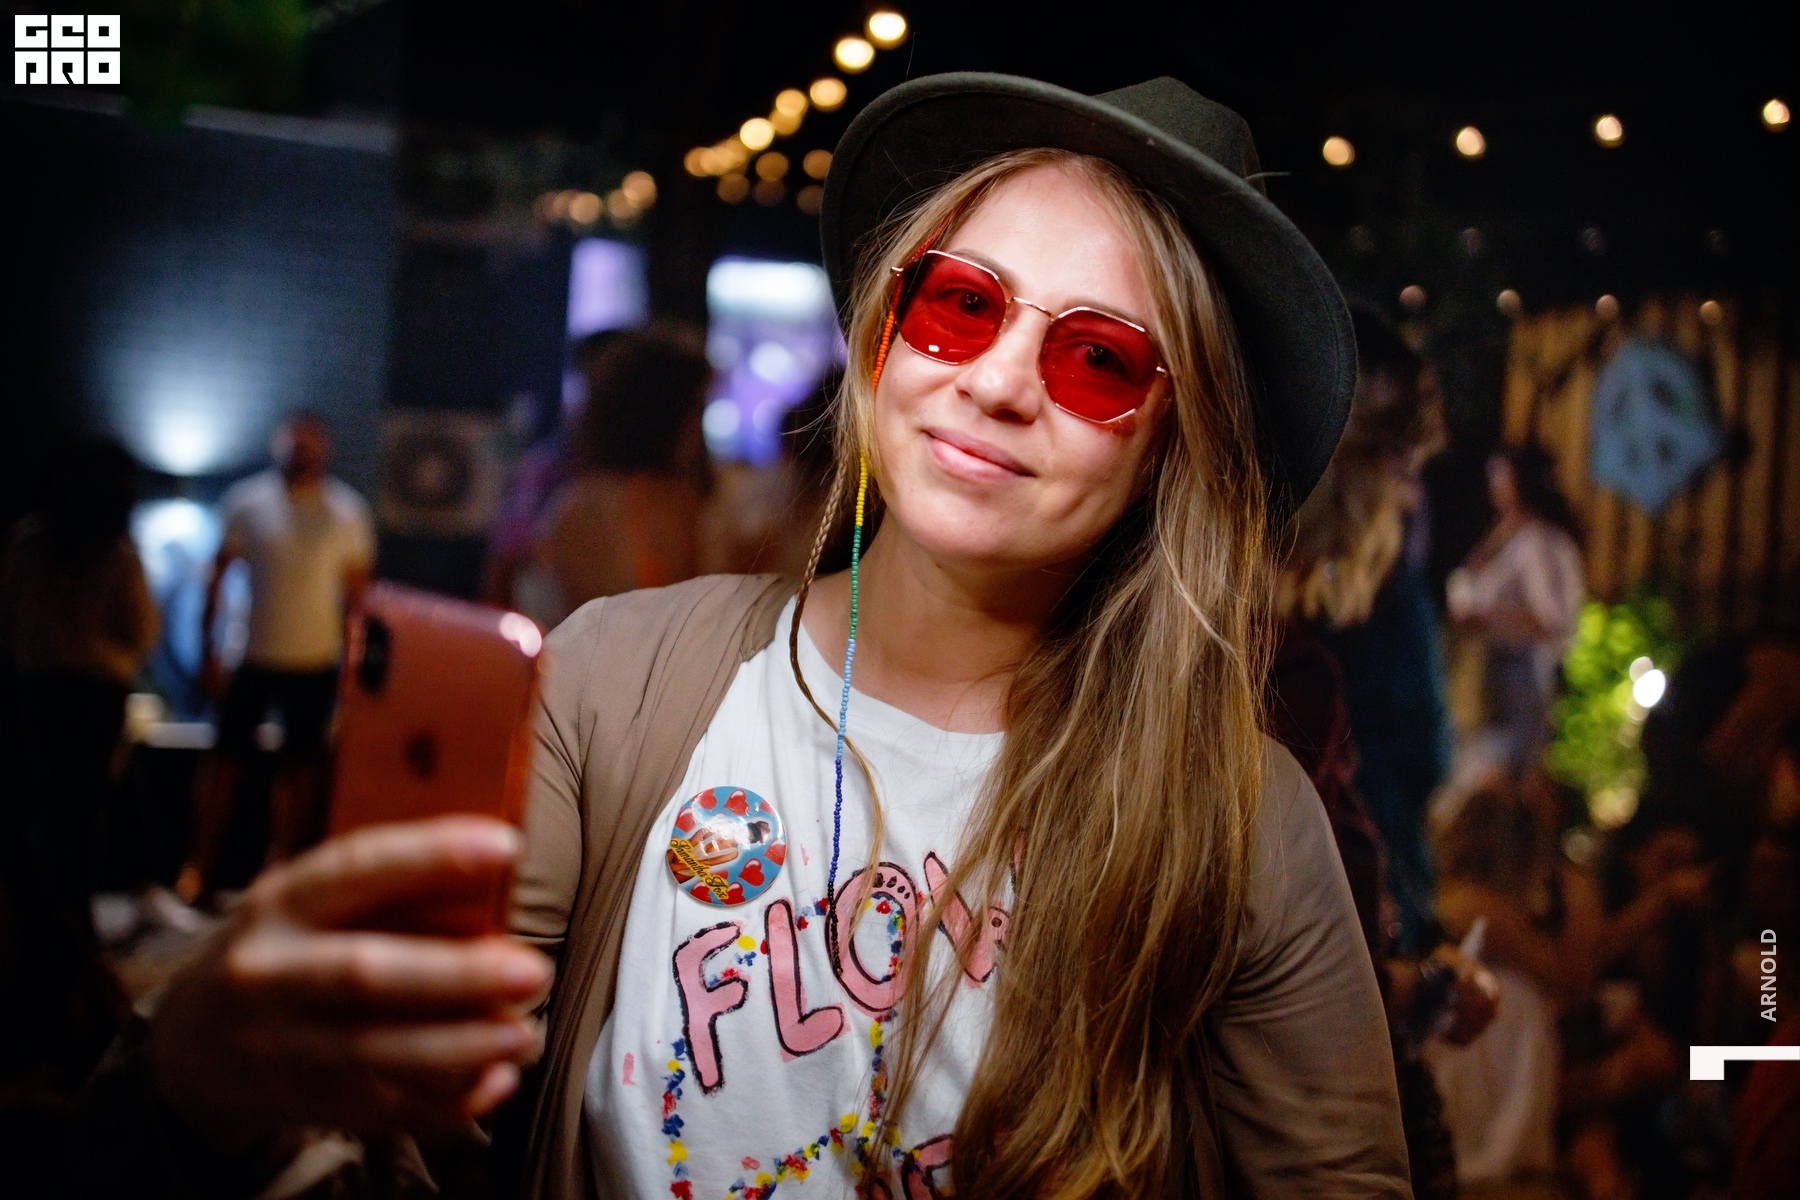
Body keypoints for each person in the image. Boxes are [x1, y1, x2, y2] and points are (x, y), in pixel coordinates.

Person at [108, 76, 1409, 1198]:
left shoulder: (1240, 823)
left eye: (1099, 361)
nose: (999, 381)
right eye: (961, 304)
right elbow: (409, 1137)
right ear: (882, 334)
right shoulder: (617, 686)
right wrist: (211, 1074)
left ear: (1171, 447)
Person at [173, 412, 374, 905]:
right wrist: (207, 650)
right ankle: (200, 864)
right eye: (294, 444)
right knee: (225, 764)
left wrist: (353, 668)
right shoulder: (247, 502)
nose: (301, 453)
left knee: (301, 769)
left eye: (310, 445)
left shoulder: (347, 512)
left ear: (325, 449)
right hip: (252, 655)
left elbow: (357, 601)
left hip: (314, 659)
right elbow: (216, 579)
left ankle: (282, 870)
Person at [0, 435, 159, 934]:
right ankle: (75, 922)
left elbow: (8, 618)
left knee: (45, 804)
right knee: (87, 808)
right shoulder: (116, 552)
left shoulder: (27, 543)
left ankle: (44, 919)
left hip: (36, 688)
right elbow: (142, 629)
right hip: (96, 692)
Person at [518, 328, 712, 629]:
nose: (698, 430)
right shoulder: (596, 508)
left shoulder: (577, 501)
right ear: (664, 415)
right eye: (697, 411)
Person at [1447, 445, 1586, 777]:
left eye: (1502, 476)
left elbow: (1550, 621)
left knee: (1501, 767)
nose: (1494, 485)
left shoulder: (1538, 543)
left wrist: (1485, 619)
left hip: (1517, 678)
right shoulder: (1501, 533)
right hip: (1481, 674)